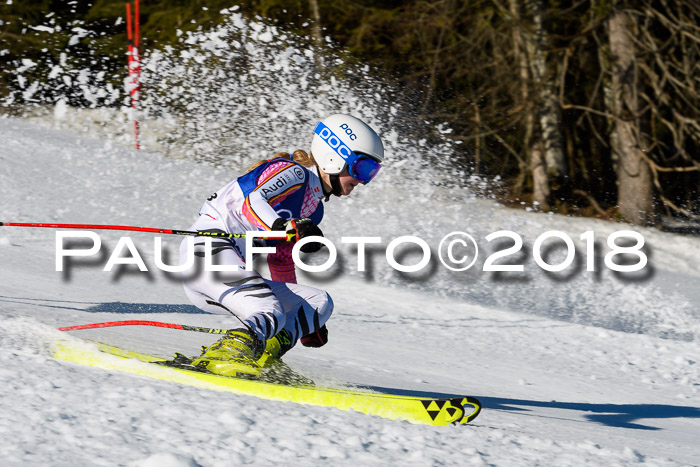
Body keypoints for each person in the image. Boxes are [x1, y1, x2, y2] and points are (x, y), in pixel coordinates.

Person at [179, 114, 384, 378]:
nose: (364, 180)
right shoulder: (292, 172)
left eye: (372, 173)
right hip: (207, 251)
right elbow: (252, 202)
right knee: (269, 310)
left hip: (228, 270)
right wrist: (281, 227)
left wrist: (303, 320)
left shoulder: (313, 208)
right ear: (335, 155)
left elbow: (281, 259)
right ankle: (225, 354)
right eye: (362, 168)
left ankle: (262, 354)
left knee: (317, 303)